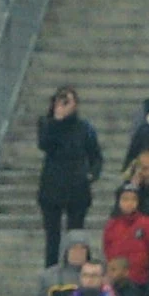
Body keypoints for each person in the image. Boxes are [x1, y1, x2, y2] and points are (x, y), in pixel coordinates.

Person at [36, 88, 104, 267]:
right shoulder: (46, 124)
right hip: (52, 187)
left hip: (77, 187)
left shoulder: (84, 128)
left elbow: (95, 155)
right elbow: (45, 144)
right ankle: (51, 270)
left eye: (69, 101)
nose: (65, 104)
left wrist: (91, 174)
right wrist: (57, 120)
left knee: (76, 235)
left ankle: (76, 268)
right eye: (61, 100)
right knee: (52, 236)